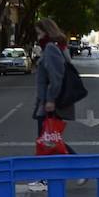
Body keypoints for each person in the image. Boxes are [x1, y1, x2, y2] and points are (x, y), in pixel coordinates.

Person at [32, 17, 76, 152]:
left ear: (47, 32)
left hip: (50, 105)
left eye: (39, 33)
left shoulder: (51, 48)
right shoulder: (55, 47)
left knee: (48, 141)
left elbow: (56, 77)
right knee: (50, 141)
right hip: (47, 103)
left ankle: (84, 167)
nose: (38, 37)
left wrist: (50, 100)